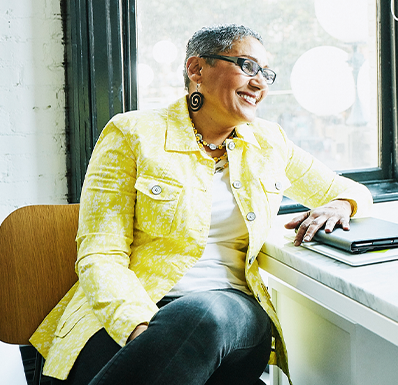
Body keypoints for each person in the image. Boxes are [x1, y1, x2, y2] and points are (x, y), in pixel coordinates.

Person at [30, 24, 373, 384]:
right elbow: (100, 253)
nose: (260, 83)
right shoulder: (132, 134)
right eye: (248, 66)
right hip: (132, 309)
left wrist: (342, 205)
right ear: (197, 70)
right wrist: (138, 328)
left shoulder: (270, 143)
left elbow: (352, 191)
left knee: (203, 313)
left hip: (230, 312)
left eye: (266, 73)